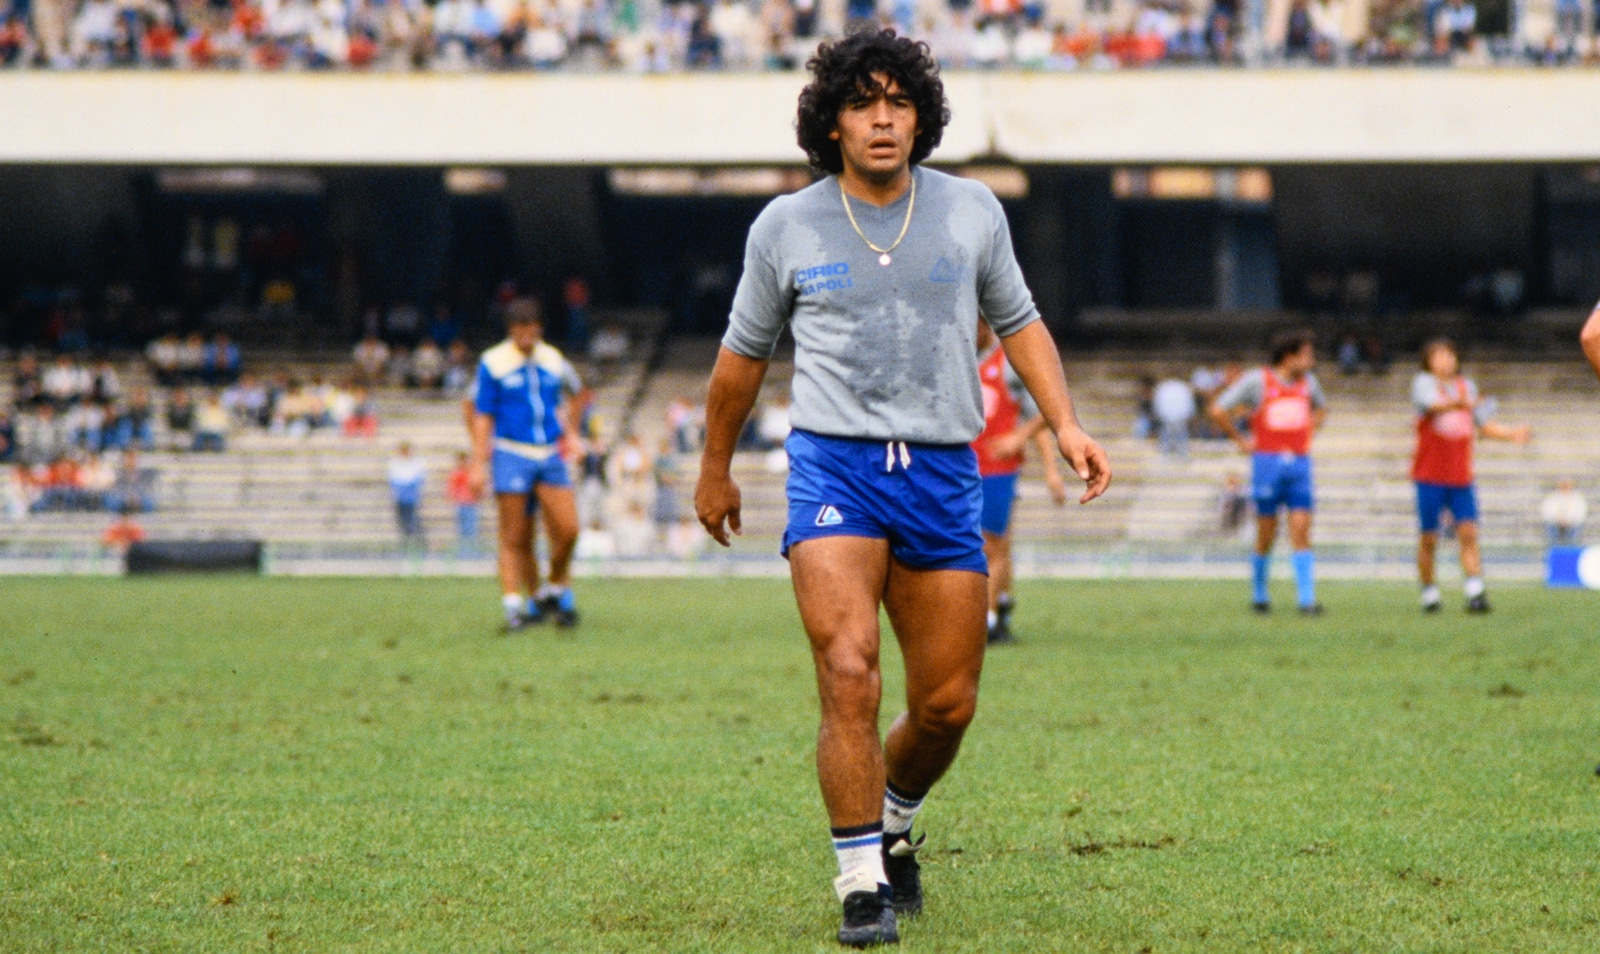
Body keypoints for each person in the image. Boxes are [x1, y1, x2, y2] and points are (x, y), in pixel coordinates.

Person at [693, 30, 1111, 948]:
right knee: (848, 669)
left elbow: (1021, 322)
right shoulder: (784, 226)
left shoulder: (972, 211)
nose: (882, 119)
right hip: (834, 467)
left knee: (946, 705)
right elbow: (740, 360)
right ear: (832, 124)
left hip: (944, 470)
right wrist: (715, 466)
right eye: (861, 103)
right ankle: (859, 883)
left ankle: (892, 820)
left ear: (921, 118)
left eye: (898, 102)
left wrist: (1067, 423)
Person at [466, 298, 584, 630]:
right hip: (511, 453)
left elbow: (576, 394)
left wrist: (572, 434)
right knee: (516, 535)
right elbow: (481, 413)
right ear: (511, 330)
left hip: (548, 452)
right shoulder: (493, 362)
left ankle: (554, 587)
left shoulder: (553, 359)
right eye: (520, 331)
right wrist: (478, 464)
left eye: (532, 330)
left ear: (540, 329)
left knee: (568, 528)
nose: (527, 337)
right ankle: (515, 606)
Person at [1208, 330, 1327, 615]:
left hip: (1299, 464)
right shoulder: (1258, 380)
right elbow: (1218, 410)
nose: (1311, 361)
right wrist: (1241, 441)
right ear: (1289, 356)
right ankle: (1260, 594)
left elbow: (1322, 408)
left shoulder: (1309, 382)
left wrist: (1309, 432)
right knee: (1267, 532)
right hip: (1267, 465)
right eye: (1306, 355)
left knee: (1301, 528)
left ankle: (1307, 600)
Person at [1410, 338, 1530, 613]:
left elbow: (1483, 425)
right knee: (1429, 537)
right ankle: (1429, 591)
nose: (1445, 361)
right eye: (1438, 356)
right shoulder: (1424, 384)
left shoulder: (1467, 387)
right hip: (1430, 474)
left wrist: (1511, 434)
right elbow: (1431, 406)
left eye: (1449, 355)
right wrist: (1462, 403)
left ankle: (1475, 591)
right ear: (1428, 362)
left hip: (1460, 475)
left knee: (1468, 532)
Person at [972, 318, 1067, 645]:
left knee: (991, 545)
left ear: (985, 326)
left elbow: (1044, 406)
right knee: (997, 544)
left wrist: (1021, 440)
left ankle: (986, 620)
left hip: (997, 468)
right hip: (964, 466)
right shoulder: (960, 359)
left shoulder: (1007, 362)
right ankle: (1000, 608)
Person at [387, 441, 427, 547]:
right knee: (403, 519)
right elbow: (392, 478)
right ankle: (406, 541)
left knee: (413, 518)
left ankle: (419, 542)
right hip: (400, 495)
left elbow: (419, 477)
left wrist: (411, 486)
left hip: (411, 495)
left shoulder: (417, 462)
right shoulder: (395, 462)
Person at [446, 450, 482, 551]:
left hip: (471, 503)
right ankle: (464, 549)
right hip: (461, 503)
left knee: (471, 527)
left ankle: (472, 549)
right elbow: (452, 488)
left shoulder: (470, 472)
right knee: (462, 528)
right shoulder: (456, 473)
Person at [1540, 479, 1587, 545]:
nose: (1565, 488)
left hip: (1572, 523)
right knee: (1550, 526)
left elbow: (1580, 512)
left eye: (1567, 486)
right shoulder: (1552, 497)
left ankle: (1571, 546)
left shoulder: (1577, 498)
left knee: (1576, 528)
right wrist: (1558, 519)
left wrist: (1569, 520)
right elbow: (1547, 510)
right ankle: (1554, 546)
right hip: (1555, 522)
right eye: (1563, 486)